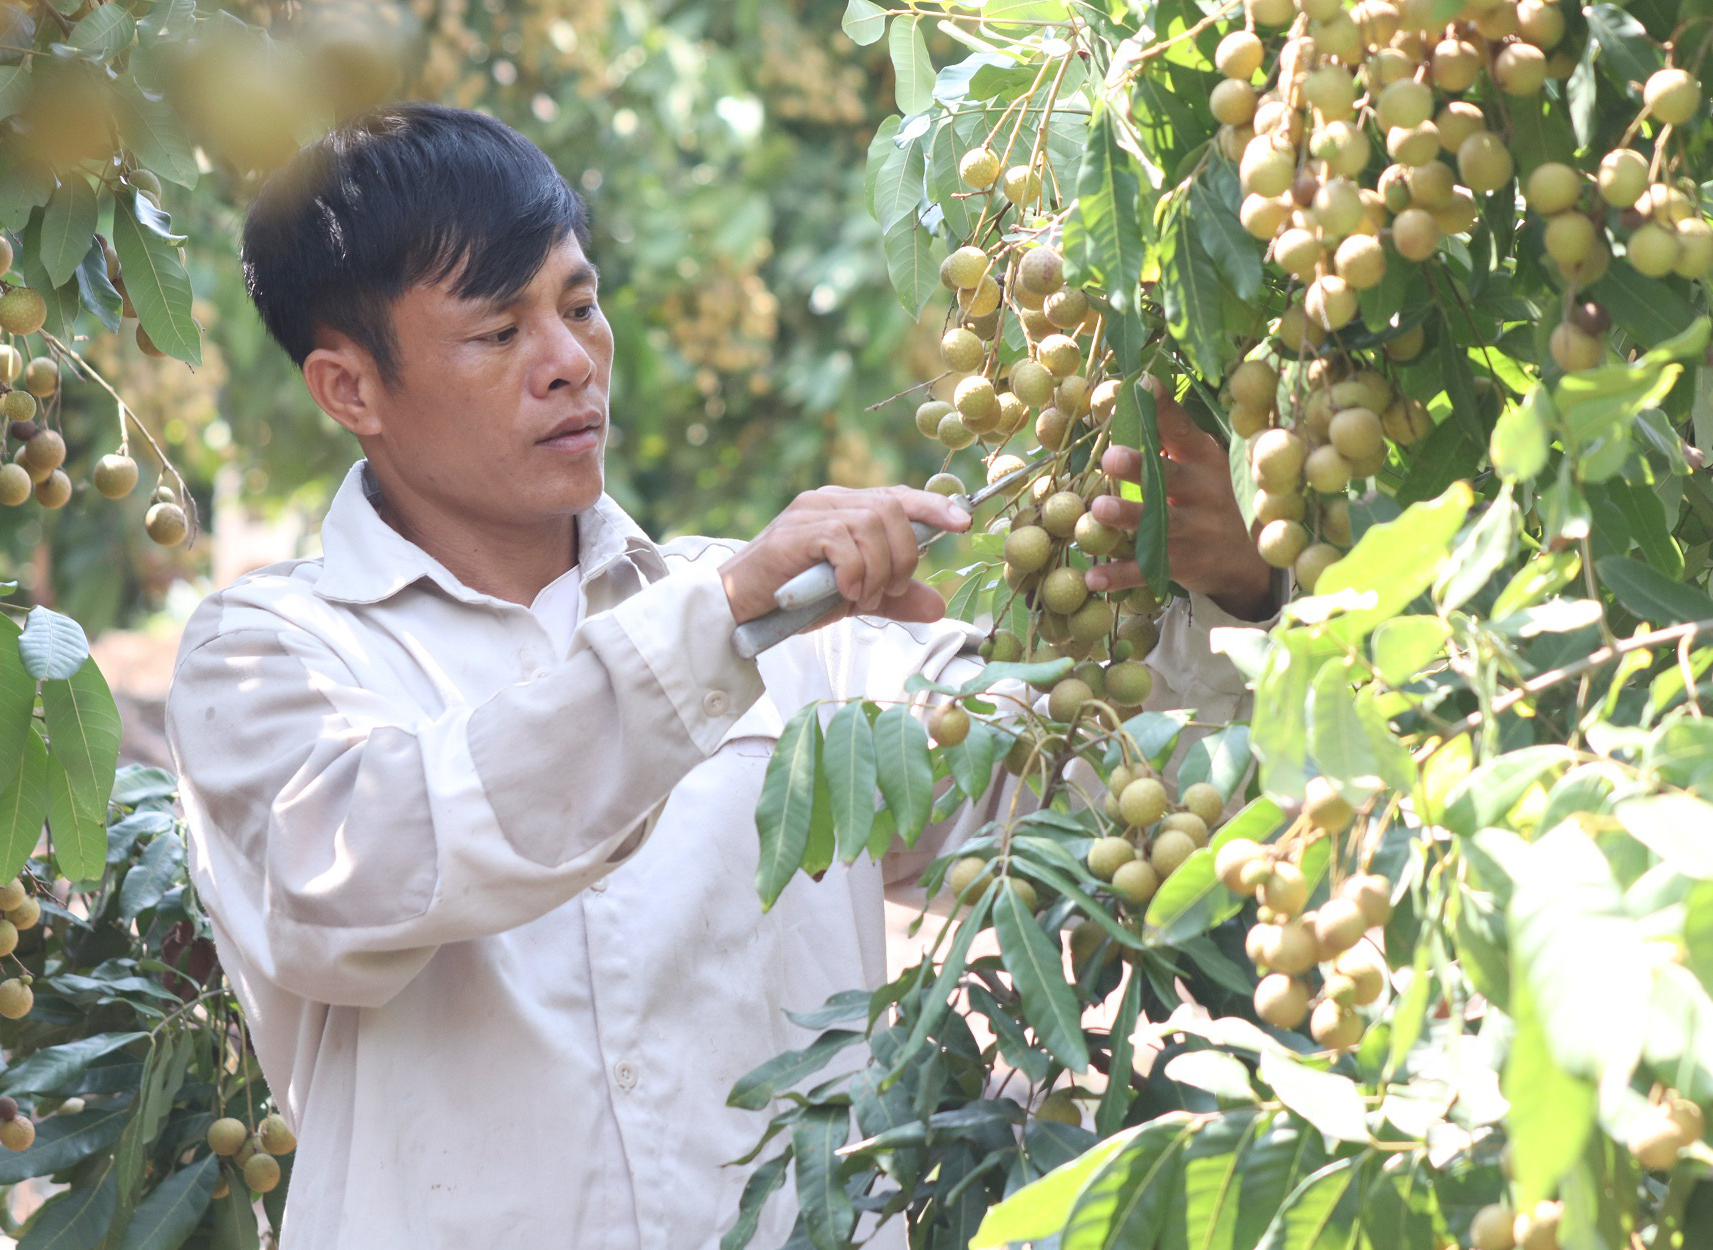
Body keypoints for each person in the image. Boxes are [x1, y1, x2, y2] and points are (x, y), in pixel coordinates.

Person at [164, 102, 1274, 1249]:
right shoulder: (268, 650)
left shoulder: (801, 631)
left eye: (580, 307)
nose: (569, 364)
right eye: (498, 333)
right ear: (351, 390)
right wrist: (723, 619)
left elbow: (1111, 811)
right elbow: (362, 874)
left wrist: (1224, 587)